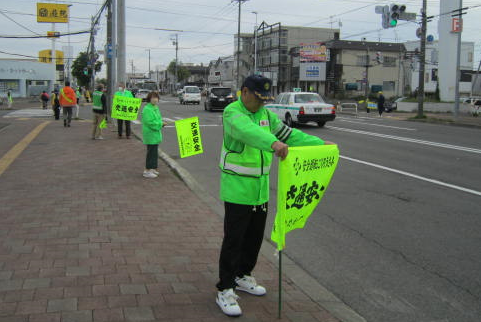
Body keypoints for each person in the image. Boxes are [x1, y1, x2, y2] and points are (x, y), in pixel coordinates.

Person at [215, 74, 335, 317]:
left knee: (254, 238)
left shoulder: (267, 116)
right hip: (237, 189)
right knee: (234, 240)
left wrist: (318, 143)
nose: (262, 104)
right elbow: (248, 133)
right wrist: (273, 144)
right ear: (245, 92)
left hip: (260, 190)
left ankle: (243, 275)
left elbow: (289, 135)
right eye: (258, 99)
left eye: (264, 100)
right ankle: (225, 288)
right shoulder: (232, 112)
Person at [141, 91, 163, 178]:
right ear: (149, 99)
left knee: (154, 152)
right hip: (150, 134)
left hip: (155, 134)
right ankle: (147, 170)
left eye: (156, 97)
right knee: (151, 152)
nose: (155, 99)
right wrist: (161, 124)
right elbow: (150, 122)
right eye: (153, 97)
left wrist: (161, 123)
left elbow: (158, 119)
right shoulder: (147, 109)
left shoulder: (155, 108)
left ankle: (153, 168)